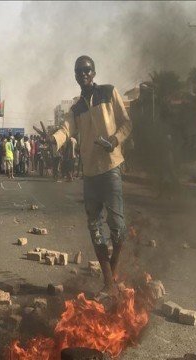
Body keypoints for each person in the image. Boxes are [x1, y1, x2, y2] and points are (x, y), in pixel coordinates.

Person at [47, 55, 132, 299]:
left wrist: (115, 140)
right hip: (90, 174)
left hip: (111, 167)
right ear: (75, 76)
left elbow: (126, 123)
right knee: (95, 228)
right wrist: (53, 139)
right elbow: (66, 130)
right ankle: (109, 283)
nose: (83, 74)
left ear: (94, 73)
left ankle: (111, 279)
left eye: (87, 70)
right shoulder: (76, 109)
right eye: (79, 71)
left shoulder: (109, 92)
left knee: (118, 229)